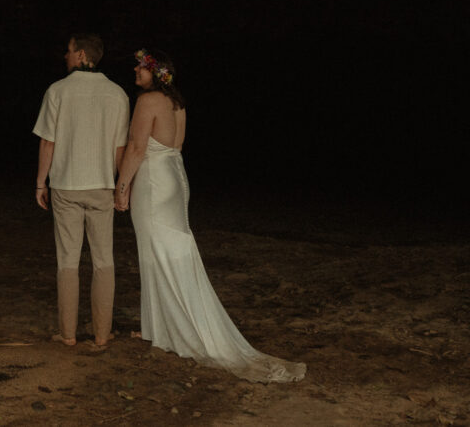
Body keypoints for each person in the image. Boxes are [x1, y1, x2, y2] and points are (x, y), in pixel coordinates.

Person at [115, 48, 306, 382]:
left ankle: (172, 328)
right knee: (174, 249)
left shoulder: (148, 101)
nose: (135, 70)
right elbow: (177, 148)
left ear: (155, 72)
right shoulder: (178, 103)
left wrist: (121, 186)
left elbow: (136, 147)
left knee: (156, 252)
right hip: (176, 179)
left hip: (155, 183)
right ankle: (161, 327)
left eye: (141, 67)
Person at [34, 33, 130, 348]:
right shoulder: (117, 94)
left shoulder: (58, 91)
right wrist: (121, 187)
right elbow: (120, 149)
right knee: (104, 260)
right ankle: (102, 335)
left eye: (69, 50)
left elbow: (48, 141)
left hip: (66, 185)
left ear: (82, 55)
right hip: (101, 185)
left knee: (68, 260)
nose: (65, 55)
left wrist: (40, 182)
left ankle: (68, 334)